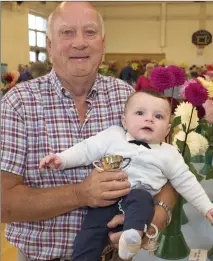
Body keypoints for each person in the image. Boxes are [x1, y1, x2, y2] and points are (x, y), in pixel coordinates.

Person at [1, 2, 178, 261]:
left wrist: (154, 223)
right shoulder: (18, 104)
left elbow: (169, 171)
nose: (80, 42)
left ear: (103, 42)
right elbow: (3, 203)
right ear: (49, 44)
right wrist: (81, 193)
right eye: (67, 33)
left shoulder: (126, 98)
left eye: (90, 32)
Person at [40, 89, 213, 261]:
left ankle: (132, 237)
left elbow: (186, 181)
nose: (149, 119)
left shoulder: (169, 154)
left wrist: (207, 207)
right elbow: (86, 149)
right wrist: (61, 159)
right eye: (140, 113)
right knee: (87, 237)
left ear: (167, 130)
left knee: (141, 198)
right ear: (125, 121)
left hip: (138, 203)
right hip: (104, 199)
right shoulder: (113, 136)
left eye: (158, 116)